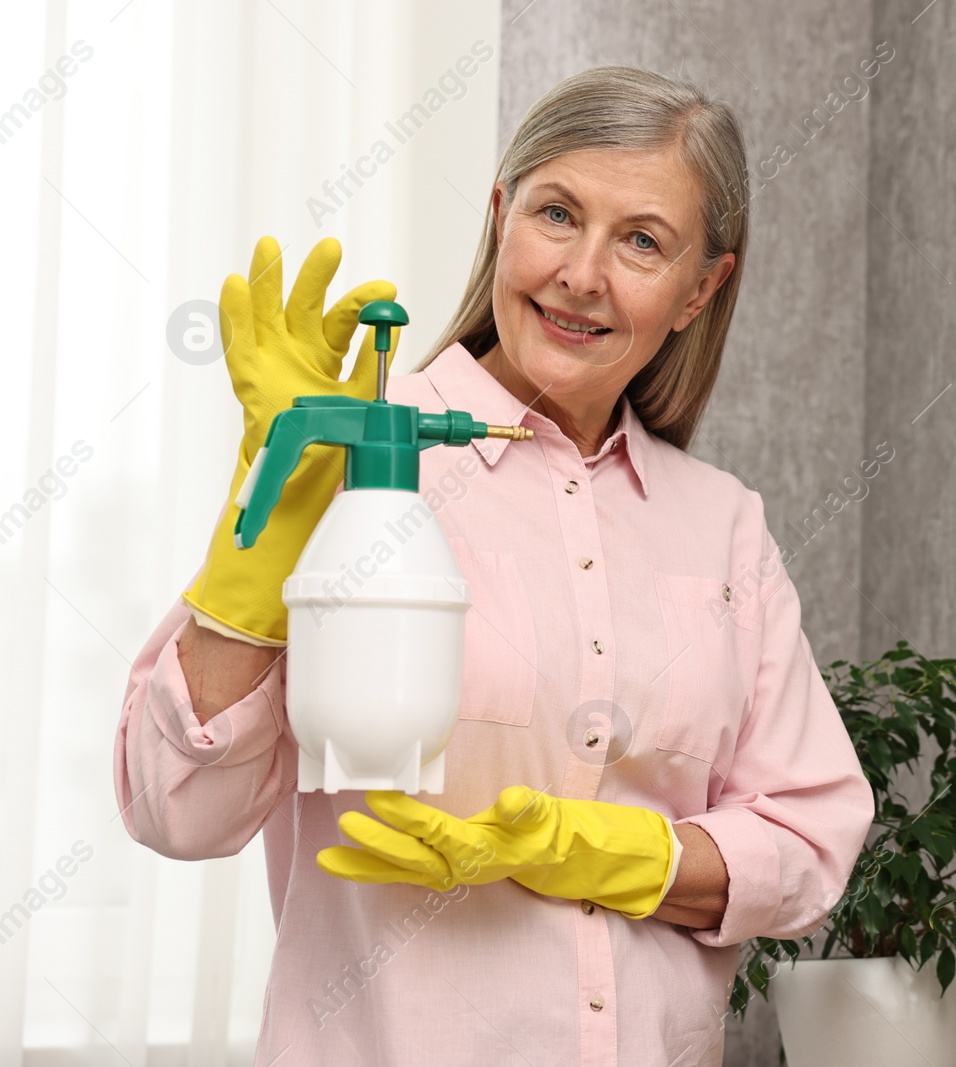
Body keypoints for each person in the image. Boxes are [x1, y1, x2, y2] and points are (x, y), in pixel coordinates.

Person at [113, 65, 875, 1066]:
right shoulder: (353, 462)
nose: (582, 274)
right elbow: (177, 806)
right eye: (557, 214)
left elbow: (812, 839)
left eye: (641, 240)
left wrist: (594, 851)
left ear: (701, 288)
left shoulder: (720, 524)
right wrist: (270, 530)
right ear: (501, 215)